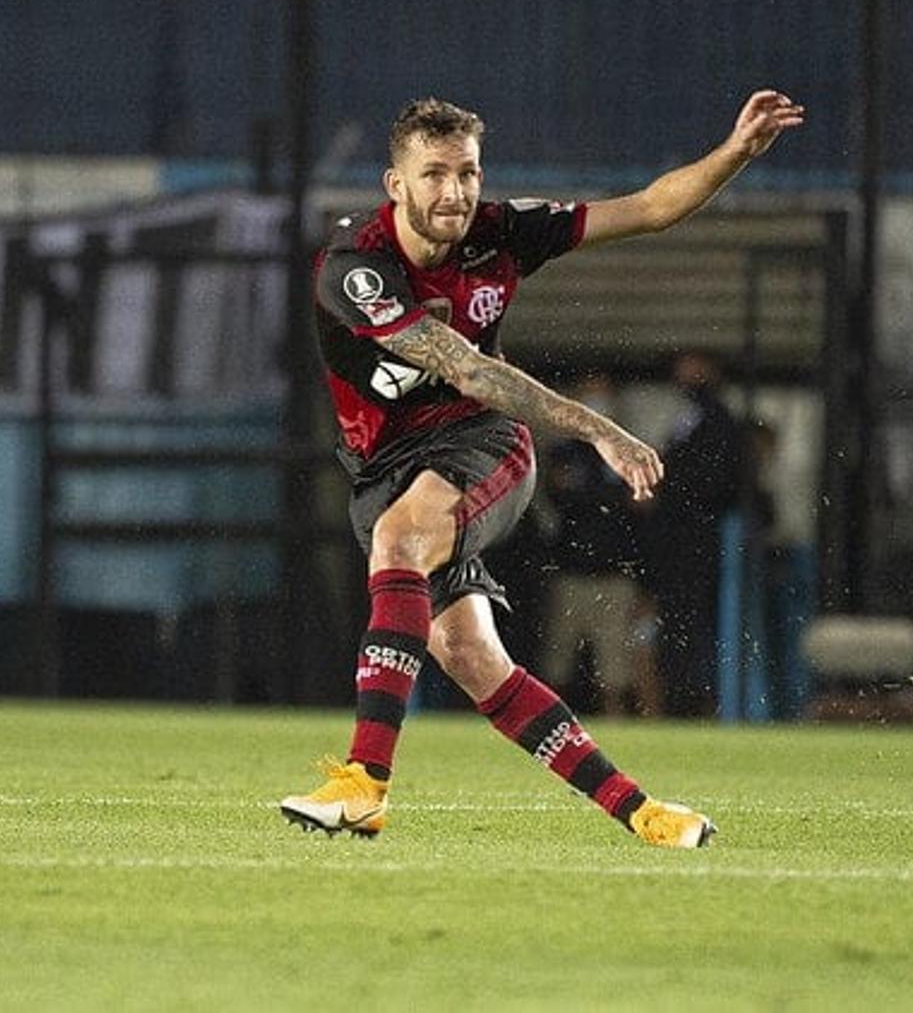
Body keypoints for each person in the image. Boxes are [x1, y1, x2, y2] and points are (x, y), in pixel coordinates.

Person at [279, 88, 805, 846]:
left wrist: (733, 154)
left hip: (481, 444)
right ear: (396, 185)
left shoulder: (504, 232)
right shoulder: (356, 266)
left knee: (402, 539)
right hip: (385, 466)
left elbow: (651, 208)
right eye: (433, 174)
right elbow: (463, 362)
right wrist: (601, 428)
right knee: (472, 658)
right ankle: (644, 812)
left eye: (467, 173)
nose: (455, 191)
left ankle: (363, 783)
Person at [536, 370, 662, 716]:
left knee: (614, 669)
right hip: (571, 572)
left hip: (614, 575)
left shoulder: (626, 452)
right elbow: (562, 496)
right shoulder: (567, 451)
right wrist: (611, 496)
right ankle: (548, 729)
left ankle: (616, 729)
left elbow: (642, 510)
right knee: (556, 663)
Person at [642, 350, 749, 716]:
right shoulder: (687, 415)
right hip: (678, 538)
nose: (684, 372)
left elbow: (715, 479)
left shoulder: (716, 418)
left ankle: (693, 699)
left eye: (694, 365)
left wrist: (667, 486)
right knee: (675, 622)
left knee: (690, 621)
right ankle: (681, 695)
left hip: (694, 539)